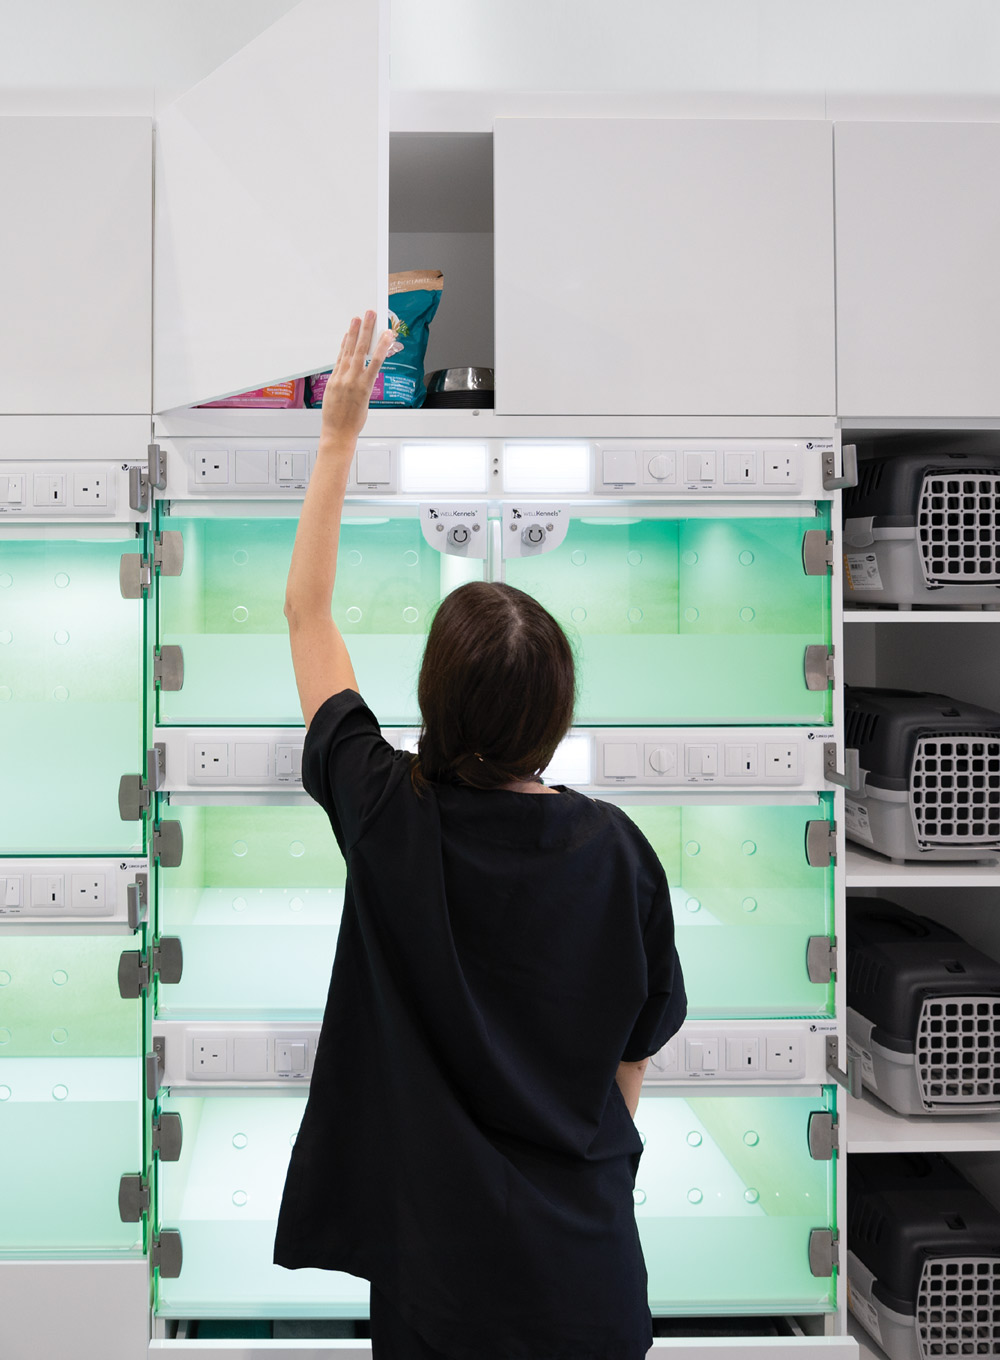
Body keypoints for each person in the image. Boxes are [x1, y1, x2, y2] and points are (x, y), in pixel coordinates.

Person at [273, 311, 687, 1360]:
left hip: (441, 1289)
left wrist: (338, 438)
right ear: (554, 716)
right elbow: (630, 1063)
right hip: (587, 1281)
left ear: (434, 699)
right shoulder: (617, 850)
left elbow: (307, 618)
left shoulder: (384, 813)